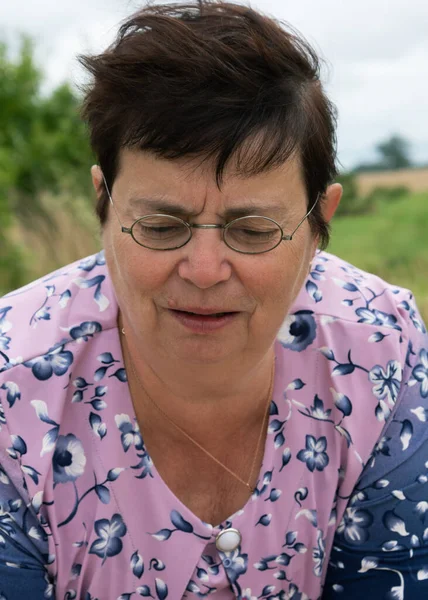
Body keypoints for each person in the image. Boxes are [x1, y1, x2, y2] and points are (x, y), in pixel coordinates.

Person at [0, 1, 427, 598]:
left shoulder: (385, 350)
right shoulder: (11, 392)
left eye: (252, 231)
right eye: (161, 226)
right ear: (104, 204)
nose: (203, 271)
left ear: (319, 224)